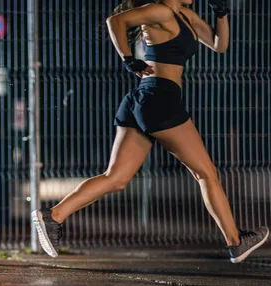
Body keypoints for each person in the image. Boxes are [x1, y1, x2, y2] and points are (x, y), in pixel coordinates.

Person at [31, 0, 269, 263]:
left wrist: (221, 13)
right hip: (160, 98)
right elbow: (115, 22)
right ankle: (235, 242)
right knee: (206, 173)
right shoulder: (162, 11)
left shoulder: (185, 15)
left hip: (144, 99)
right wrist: (128, 59)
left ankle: (53, 216)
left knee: (117, 177)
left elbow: (219, 45)